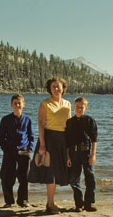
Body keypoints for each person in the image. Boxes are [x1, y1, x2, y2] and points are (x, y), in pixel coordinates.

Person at [28, 77, 71, 214]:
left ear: (63, 88)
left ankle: (51, 202)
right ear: (50, 89)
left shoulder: (68, 104)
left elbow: (69, 126)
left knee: (58, 171)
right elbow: (41, 124)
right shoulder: (45, 103)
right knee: (50, 172)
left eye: (58, 86)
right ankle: (50, 203)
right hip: (49, 139)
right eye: (53, 87)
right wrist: (42, 144)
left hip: (63, 140)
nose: (56, 89)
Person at [0, 94, 35, 208]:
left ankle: (23, 200)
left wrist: (30, 149)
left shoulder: (28, 120)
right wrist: (5, 149)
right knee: (6, 177)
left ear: (23, 104)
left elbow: (31, 136)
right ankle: (8, 201)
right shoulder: (5, 119)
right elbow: (1, 137)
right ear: (11, 105)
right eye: (15, 103)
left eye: (19, 103)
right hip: (9, 151)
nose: (17, 105)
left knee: (24, 177)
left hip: (24, 151)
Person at [66, 97, 98, 212]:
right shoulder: (69, 122)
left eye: (82, 107)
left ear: (86, 108)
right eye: (77, 107)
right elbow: (67, 142)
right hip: (74, 153)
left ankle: (89, 203)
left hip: (86, 153)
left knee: (90, 177)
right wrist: (68, 156)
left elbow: (94, 139)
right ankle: (79, 204)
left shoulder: (89, 121)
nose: (79, 109)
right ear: (74, 107)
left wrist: (93, 155)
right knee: (74, 179)